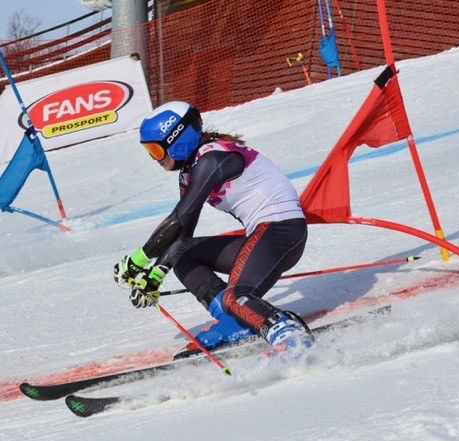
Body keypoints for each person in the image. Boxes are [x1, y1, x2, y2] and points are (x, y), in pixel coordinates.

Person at [114, 101, 313, 352]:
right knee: (182, 253)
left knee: (237, 296)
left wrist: (137, 261)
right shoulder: (189, 172)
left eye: (156, 150)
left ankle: (289, 337)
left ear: (178, 140)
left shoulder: (212, 158)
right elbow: (183, 229)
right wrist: (155, 276)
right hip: (263, 236)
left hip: (281, 231)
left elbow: (179, 216)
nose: (155, 159)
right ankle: (233, 321)